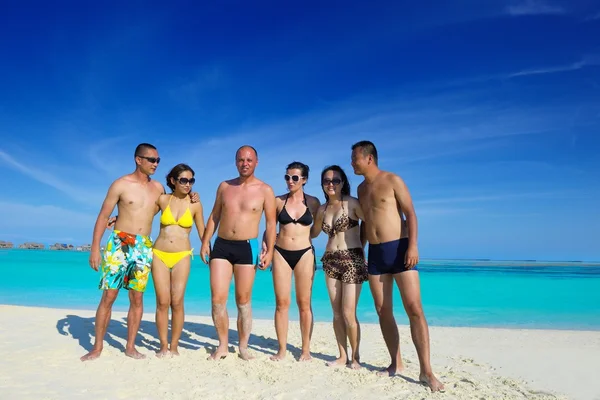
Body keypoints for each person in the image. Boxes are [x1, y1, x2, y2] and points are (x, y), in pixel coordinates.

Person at [82, 143, 199, 362]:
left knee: (137, 298)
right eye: (152, 160)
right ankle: (97, 347)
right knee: (109, 295)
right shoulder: (120, 184)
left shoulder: (158, 189)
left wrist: (193, 196)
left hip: (144, 245)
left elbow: (169, 208)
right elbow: (102, 215)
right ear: (138, 160)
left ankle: (130, 346)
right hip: (120, 241)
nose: (156, 164)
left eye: (158, 160)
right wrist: (94, 248)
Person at [351, 140, 444, 392]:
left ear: (368, 158)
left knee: (414, 309)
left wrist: (413, 246)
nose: (352, 163)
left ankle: (426, 371)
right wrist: (360, 249)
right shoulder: (360, 189)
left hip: (400, 249)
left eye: (355, 158)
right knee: (383, 310)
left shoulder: (393, 180)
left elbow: (411, 213)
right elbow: (364, 222)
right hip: (376, 254)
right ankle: (395, 363)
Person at [200, 145, 277, 361]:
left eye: (249, 160)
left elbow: (271, 224)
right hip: (222, 245)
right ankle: (223, 345)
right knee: (217, 299)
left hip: (247, 246)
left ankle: (243, 346)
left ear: (256, 162)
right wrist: (206, 241)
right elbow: (215, 215)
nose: (245, 163)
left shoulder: (265, 190)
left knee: (243, 300)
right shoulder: (225, 186)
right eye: (241, 160)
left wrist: (269, 251)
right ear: (236, 162)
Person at [311, 165, 367, 370]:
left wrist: (363, 247)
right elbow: (313, 233)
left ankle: (356, 357)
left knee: (348, 312)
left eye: (335, 180)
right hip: (330, 260)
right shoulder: (322, 210)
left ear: (343, 182)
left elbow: (369, 222)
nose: (331, 184)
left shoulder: (352, 203)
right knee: (336, 313)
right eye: (327, 181)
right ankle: (342, 355)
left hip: (352, 259)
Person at [268, 161, 320, 361]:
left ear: (304, 180)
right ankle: (281, 349)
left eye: (295, 177)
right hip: (280, 253)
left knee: (304, 303)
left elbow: (316, 230)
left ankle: (305, 350)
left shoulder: (313, 202)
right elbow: (270, 228)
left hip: (305, 253)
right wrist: (266, 248)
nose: (290, 181)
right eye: (287, 177)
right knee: (281, 303)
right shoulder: (278, 201)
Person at [152, 163, 205, 357]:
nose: (188, 184)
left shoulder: (195, 204)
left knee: (177, 301)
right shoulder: (163, 200)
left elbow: (203, 232)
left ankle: (174, 346)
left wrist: (210, 250)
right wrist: (118, 218)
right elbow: (142, 216)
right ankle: (163, 345)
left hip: (182, 255)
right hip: (159, 253)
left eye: (191, 180)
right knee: (162, 301)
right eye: (183, 180)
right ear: (173, 181)